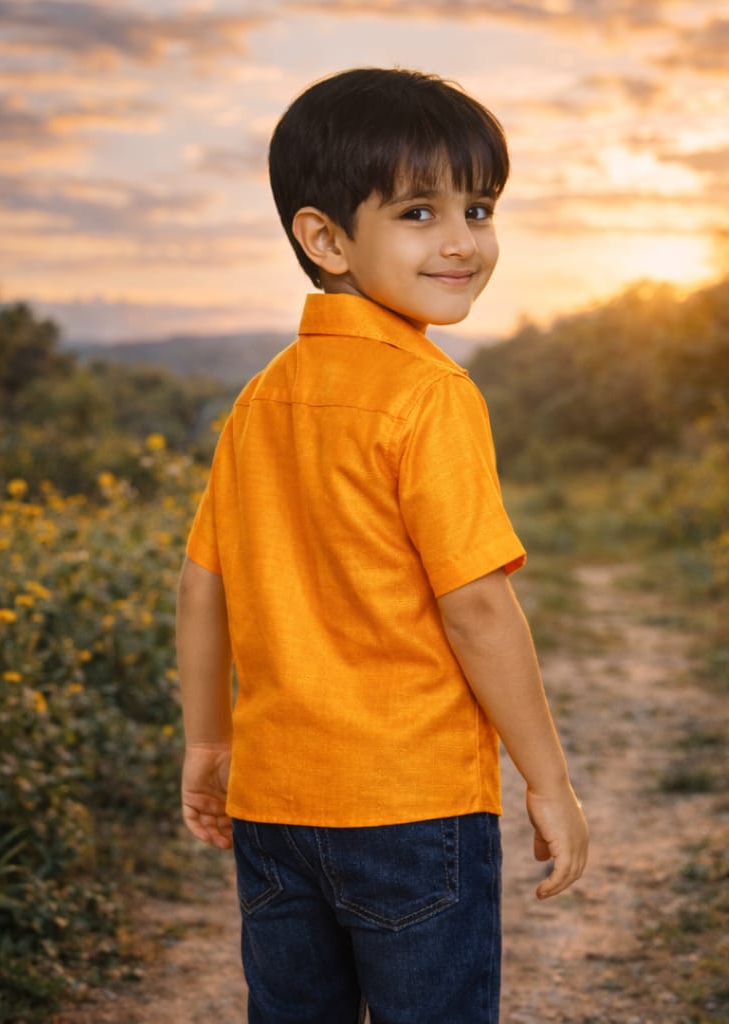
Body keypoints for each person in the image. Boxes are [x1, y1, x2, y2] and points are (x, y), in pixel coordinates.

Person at [176, 67, 589, 1024]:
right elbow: (477, 602)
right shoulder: (430, 393)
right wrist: (549, 781)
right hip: (412, 810)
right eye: (418, 211)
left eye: (479, 207)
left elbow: (205, 582)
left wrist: (208, 742)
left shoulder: (260, 398)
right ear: (324, 238)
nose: (462, 241)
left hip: (275, 806)